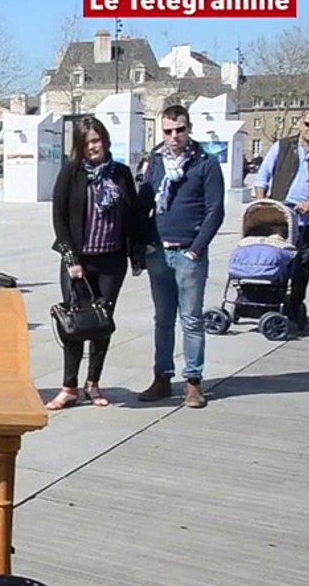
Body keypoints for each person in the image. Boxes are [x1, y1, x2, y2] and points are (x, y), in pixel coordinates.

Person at [46, 117, 148, 410]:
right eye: (88, 142)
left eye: (98, 139)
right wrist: (71, 259)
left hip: (112, 260)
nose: (95, 146)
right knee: (75, 323)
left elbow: (133, 217)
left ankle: (93, 383)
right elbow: (60, 217)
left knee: (102, 324)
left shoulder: (121, 174)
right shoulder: (71, 173)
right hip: (79, 260)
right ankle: (69, 387)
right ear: (80, 146)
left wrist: (136, 255)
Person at [136, 104, 225, 409]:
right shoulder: (156, 162)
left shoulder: (205, 164)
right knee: (163, 319)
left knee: (191, 319)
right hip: (158, 252)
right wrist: (143, 244)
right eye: (168, 131)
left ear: (189, 129)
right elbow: (144, 203)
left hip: (189, 253)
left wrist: (196, 248)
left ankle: (193, 383)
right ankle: (162, 377)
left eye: (179, 130)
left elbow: (216, 211)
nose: (174, 137)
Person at [252, 109, 309, 329]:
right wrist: (262, 206)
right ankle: (267, 304)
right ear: (301, 124)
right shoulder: (282, 146)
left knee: (302, 264)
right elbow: (263, 177)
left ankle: (294, 307)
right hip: (280, 216)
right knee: (274, 261)